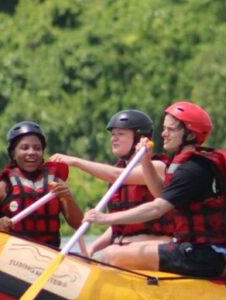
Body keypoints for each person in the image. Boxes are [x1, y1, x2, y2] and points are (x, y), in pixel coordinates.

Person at [83, 101, 226, 278]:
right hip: (199, 250)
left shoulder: (193, 169)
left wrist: (105, 218)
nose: (163, 134)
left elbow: (157, 208)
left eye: (171, 129)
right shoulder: (183, 164)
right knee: (117, 251)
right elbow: (160, 194)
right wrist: (146, 161)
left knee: (111, 255)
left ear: (190, 134)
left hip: (206, 255)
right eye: (164, 128)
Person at [49, 110, 172, 256]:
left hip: (152, 247)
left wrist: (75, 162)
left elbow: (115, 176)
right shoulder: (119, 169)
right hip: (121, 249)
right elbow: (118, 227)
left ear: (140, 138)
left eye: (120, 134)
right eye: (113, 135)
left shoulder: (157, 167)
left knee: (109, 254)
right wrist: (92, 248)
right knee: (105, 255)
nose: (114, 139)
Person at [0, 121, 84, 248]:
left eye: (37, 148)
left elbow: (79, 224)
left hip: (48, 254)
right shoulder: (1, 189)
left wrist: (67, 197)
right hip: (12, 255)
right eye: (24, 148)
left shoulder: (56, 183)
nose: (31, 152)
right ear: (13, 153)